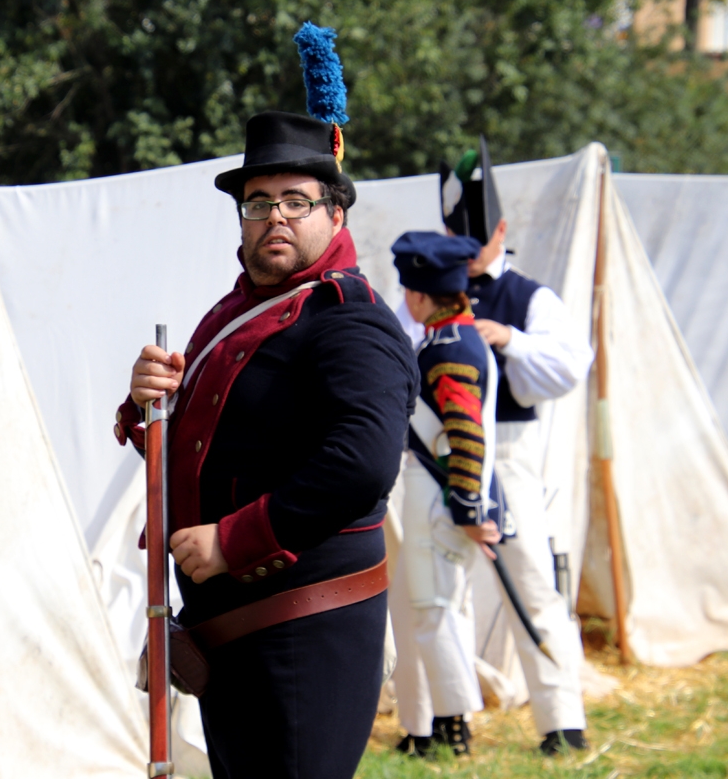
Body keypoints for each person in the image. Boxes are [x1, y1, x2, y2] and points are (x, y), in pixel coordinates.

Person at [113, 110, 418, 779]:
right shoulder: (234, 313)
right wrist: (149, 408)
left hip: (303, 630)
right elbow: (206, 446)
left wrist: (232, 541)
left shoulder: (349, 319)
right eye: (258, 203)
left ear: (335, 216)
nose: (275, 216)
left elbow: (362, 463)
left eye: (296, 201)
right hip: (232, 626)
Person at [399, 137, 594, 754]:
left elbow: (568, 367)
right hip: (434, 462)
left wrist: (505, 339)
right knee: (430, 597)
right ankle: (434, 723)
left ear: (501, 230)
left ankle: (562, 721)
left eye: (478, 239)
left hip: (506, 452)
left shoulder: (530, 296)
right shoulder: (428, 290)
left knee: (534, 587)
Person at [386, 231, 506, 758]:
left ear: (417, 295)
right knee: (441, 611)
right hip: (443, 495)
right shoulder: (453, 340)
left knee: (433, 613)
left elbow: (466, 433)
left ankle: (453, 728)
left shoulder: (447, 348)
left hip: (438, 496)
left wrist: (468, 509)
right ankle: (448, 725)